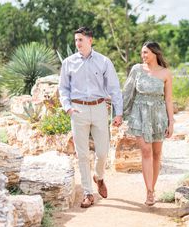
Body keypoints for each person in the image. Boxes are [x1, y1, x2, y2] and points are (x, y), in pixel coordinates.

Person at [59, 27, 123, 208]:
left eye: (80, 39)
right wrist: (68, 108)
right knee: (82, 154)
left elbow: (114, 88)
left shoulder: (104, 61)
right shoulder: (68, 63)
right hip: (77, 110)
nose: (77, 43)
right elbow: (63, 88)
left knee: (103, 153)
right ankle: (88, 193)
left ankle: (99, 177)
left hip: (99, 108)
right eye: (76, 40)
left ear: (90, 40)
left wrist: (118, 113)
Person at [122, 41, 174, 206]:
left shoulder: (165, 73)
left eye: (146, 52)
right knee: (146, 151)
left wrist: (171, 122)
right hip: (140, 114)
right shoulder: (137, 69)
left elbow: (168, 99)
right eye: (142, 52)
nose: (143, 55)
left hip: (158, 116)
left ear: (155, 53)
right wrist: (118, 114)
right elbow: (127, 92)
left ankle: (153, 186)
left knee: (157, 153)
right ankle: (149, 192)